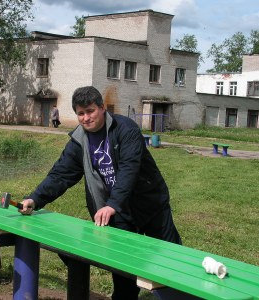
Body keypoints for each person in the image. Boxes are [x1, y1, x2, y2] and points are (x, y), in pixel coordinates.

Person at [20, 86, 181, 300]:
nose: (86, 118)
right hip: (118, 213)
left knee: (172, 260)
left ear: (102, 108)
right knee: (123, 273)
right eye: (80, 113)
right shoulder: (79, 140)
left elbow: (129, 169)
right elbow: (61, 174)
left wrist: (112, 203)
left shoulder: (126, 130)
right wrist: (35, 198)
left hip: (150, 205)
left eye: (90, 111)